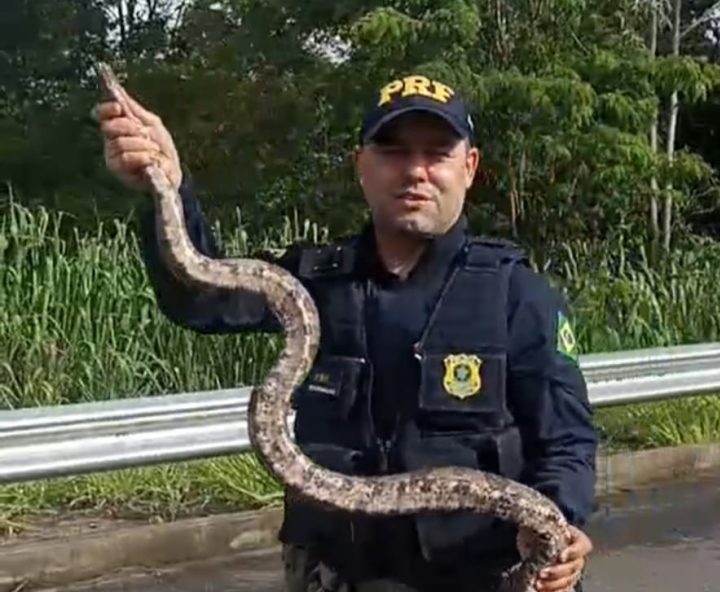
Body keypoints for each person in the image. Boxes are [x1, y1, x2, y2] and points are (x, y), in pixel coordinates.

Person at [95, 72, 598, 592]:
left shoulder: (517, 295)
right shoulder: (310, 283)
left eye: (437, 153)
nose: (416, 172)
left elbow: (566, 440)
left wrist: (559, 522)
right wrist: (168, 191)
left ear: (469, 168)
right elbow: (201, 297)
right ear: (362, 166)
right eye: (394, 152)